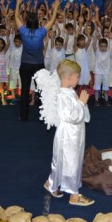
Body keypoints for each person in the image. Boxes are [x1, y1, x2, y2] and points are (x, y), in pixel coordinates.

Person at [34, 59, 94, 206]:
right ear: (68, 77)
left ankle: (51, 183)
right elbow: (71, 116)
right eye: (77, 76)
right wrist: (81, 103)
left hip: (75, 134)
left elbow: (82, 117)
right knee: (71, 162)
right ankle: (74, 195)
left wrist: (81, 103)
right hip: (68, 135)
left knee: (63, 160)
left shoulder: (71, 92)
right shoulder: (62, 95)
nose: (78, 79)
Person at [15, 0, 60, 121]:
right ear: (37, 22)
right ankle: (45, 115)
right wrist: (56, 7)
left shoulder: (23, 31)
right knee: (42, 91)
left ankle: (23, 117)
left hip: (25, 65)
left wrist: (18, 3)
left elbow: (16, 17)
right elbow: (52, 20)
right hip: (38, 66)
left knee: (25, 91)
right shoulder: (41, 32)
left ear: (27, 22)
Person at [9, 34, 23, 105]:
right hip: (12, 68)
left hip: (21, 68)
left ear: (22, 42)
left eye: (19, 42)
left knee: (21, 84)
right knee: (12, 84)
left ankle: (21, 98)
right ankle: (14, 98)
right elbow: (9, 36)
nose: (17, 43)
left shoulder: (23, 48)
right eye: (16, 41)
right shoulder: (11, 47)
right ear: (14, 42)